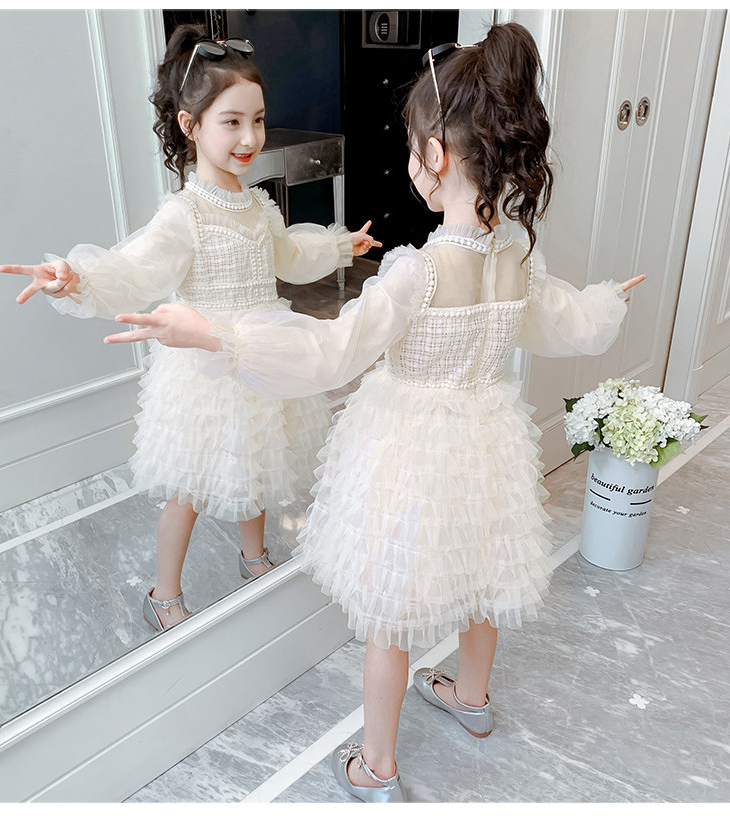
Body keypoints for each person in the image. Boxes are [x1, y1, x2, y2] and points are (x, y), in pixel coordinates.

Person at [104, 22, 645, 801]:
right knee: (482, 576)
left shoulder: (417, 272)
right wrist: (607, 301)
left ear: (438, 156)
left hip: (411, 451)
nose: (409, 159)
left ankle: (377, 766)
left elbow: (329, 352)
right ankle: (472, 697)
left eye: (411, 146)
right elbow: (565, 322)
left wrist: (219, 334)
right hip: (489, 446)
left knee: (391, 612)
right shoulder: (517, 256)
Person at [0, 24, 380, 633]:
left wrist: (337, 246)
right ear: (190, 125)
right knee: (191, 487)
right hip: (204, 370)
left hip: (257, 351)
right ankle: (163, 591)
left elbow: (285, 255)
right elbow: (135, 268)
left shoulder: (258, 205)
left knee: (258, 460)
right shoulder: (185, 215)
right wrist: (75, 278)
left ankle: (253, 555)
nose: (250, 137)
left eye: (258, 120)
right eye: (232, 122)